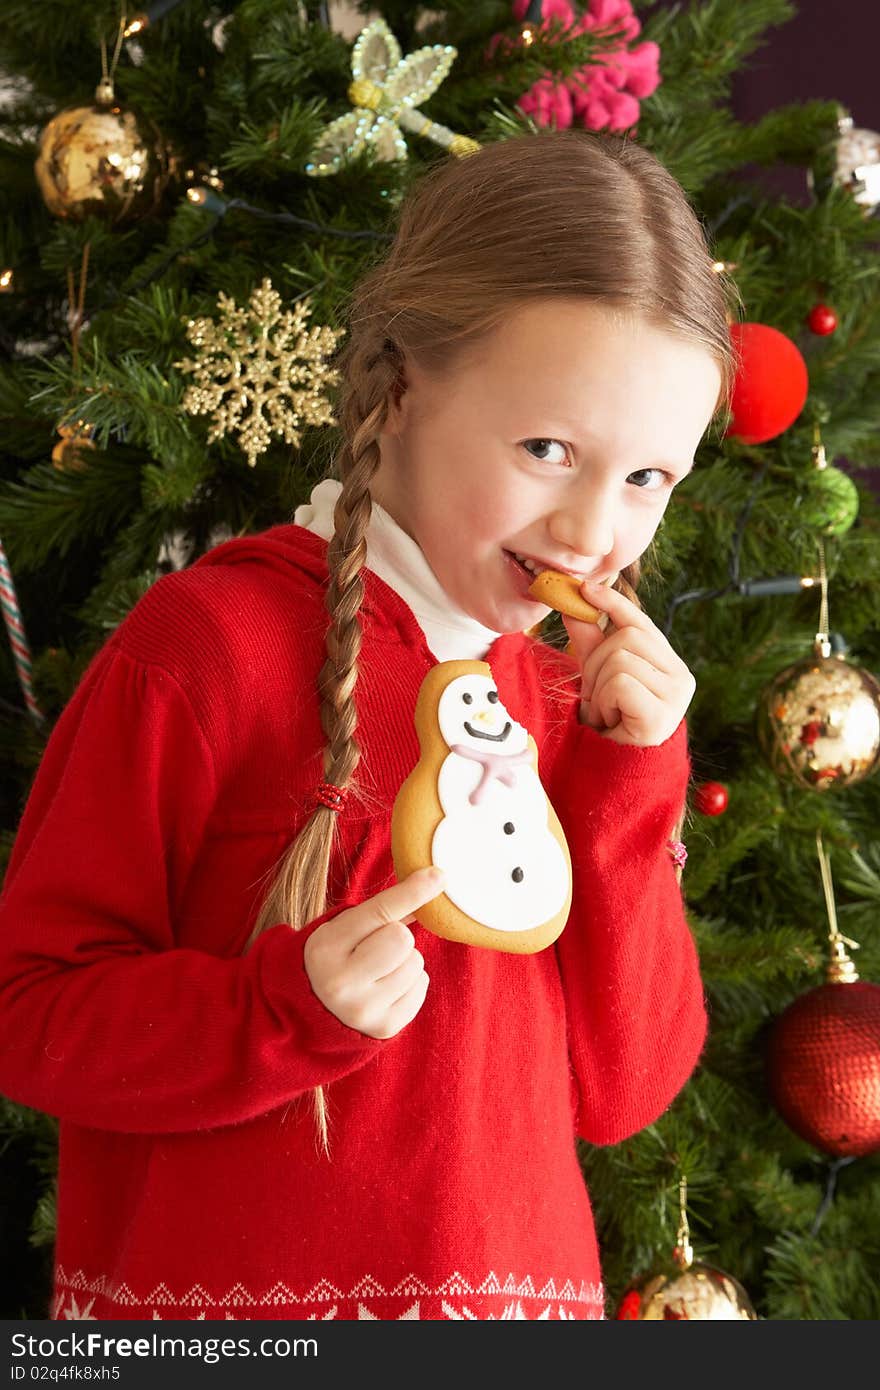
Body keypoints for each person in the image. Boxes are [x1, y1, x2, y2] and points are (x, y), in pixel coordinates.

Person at [0, 129, 733, 1322]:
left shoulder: (563, 701)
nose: (598, 529)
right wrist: (274, 1013)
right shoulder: (208, 645)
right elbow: (28, 1011)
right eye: (547, 449)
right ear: (396, 389)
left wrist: (631, 774)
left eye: (649, 477)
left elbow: (624, 1089)